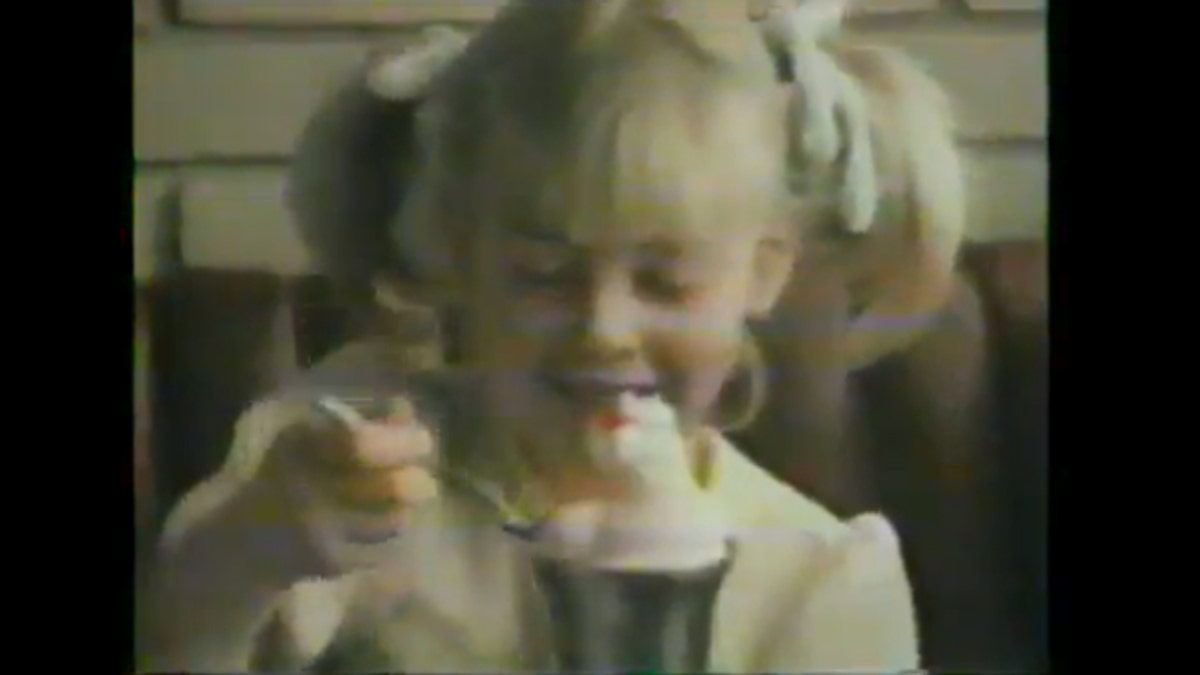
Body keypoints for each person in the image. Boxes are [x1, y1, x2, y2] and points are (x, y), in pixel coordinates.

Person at [137, 0, 966, 670]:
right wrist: (245, 556)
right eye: (544, 274)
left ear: (763, 273)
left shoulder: (811, 577)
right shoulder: (349, 471)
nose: (605, 328)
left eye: (665, 282)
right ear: (455, 254)